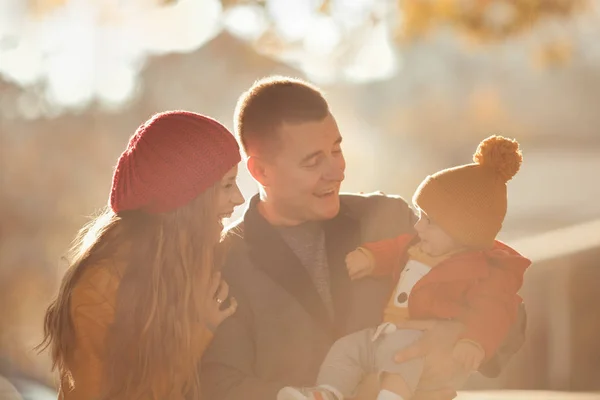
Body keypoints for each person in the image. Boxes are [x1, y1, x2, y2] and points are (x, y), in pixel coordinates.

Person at [200, 77, 527, 400]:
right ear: (261, 172)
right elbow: (221, 386)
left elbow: (504, 301)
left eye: (336, 149)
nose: (336, 170)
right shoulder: (226, 262)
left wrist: (455, 335)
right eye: (313, 161)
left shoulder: (393, 219)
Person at [277, 136, 531, 400]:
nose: (418, 227)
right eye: (420, 216)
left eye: (428, 221)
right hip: (382, 334)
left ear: (460, 232)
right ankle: (328, 392)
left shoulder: (482, 270)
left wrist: (471, 341)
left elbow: (493, 309)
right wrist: (370, 257)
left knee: (402, 361)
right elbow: (394, 249)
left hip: (412, 337)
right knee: (346, 349)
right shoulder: (419, 245)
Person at [37, 111, 244, 400]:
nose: (240, 198)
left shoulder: (199, 258)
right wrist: (201, 328)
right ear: (187, 198)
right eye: (226, 185)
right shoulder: (99, 288)